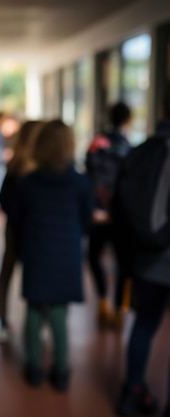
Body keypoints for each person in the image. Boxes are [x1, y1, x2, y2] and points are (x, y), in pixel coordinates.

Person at [8, 119, 93, 391]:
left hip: (36, 250)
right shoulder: (80, 183)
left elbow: (17, 218)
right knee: (59, 312)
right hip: (65, 253)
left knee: (34, 309)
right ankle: (62, 370)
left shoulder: (28, 183)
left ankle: (34, 367)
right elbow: (87, 221)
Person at [113, 84, 170, 417]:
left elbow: (122, 208)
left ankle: (133, 392)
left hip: (147, 260)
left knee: (144, 325)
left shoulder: (141, 151)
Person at [0, 119, 45, 342]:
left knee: (9, 272)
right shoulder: (30, 166)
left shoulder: (20, 164)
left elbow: (3, 198)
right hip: (26, 229)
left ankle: (6, 321)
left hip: (18, 227)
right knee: (29, 273)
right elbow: (4, 198)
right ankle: (30, 323)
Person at [84, 101, 132, 329]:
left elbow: (87, 174)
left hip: (99, 212)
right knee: (124, 263)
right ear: (128, 120)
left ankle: (102, 299)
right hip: (121, 214)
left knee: (94, 257)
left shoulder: (96, 143)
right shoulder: (129, 148)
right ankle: (120, 310)